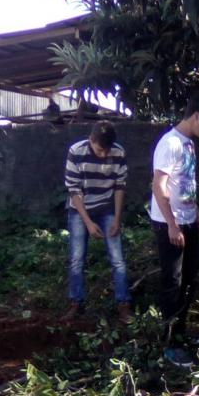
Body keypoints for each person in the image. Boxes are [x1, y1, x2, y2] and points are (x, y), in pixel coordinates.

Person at [150, 95, 199, 368]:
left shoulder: (189, 144)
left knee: (190, 279)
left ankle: (181, 334)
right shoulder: (169, 144)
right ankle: (171, 345)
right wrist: (172, 224)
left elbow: (186, 187)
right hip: (170, 223)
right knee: (173, 282)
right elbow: (159, 187)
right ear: (196, 116)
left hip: (187, 220)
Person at [63, 121, 132, 324]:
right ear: (91, 141)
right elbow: (74, 191)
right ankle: (76, 303)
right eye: (100, 149)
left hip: (107, 209)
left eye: (107, 149)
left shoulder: (118, 153)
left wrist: (117, 219)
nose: (104, 155)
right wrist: (88, 223)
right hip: (79, 210)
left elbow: (120, 187)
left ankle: (124, 305)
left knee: (118, 259)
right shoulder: (76, 151)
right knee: (77, 259)